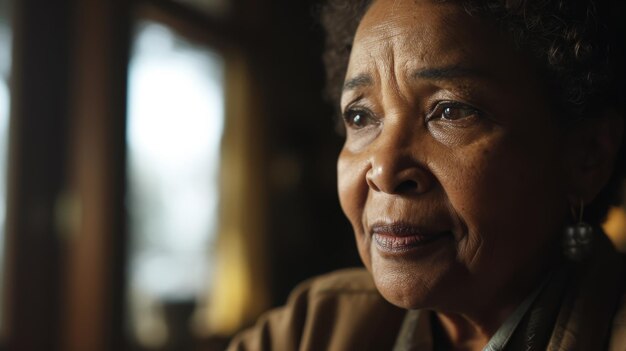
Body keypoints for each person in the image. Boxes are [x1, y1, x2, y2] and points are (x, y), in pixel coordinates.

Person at [228, 0, 626, 349]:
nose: (384, 170)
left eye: (451, 111)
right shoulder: (311, 331)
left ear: (586, 155)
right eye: (361, 116)